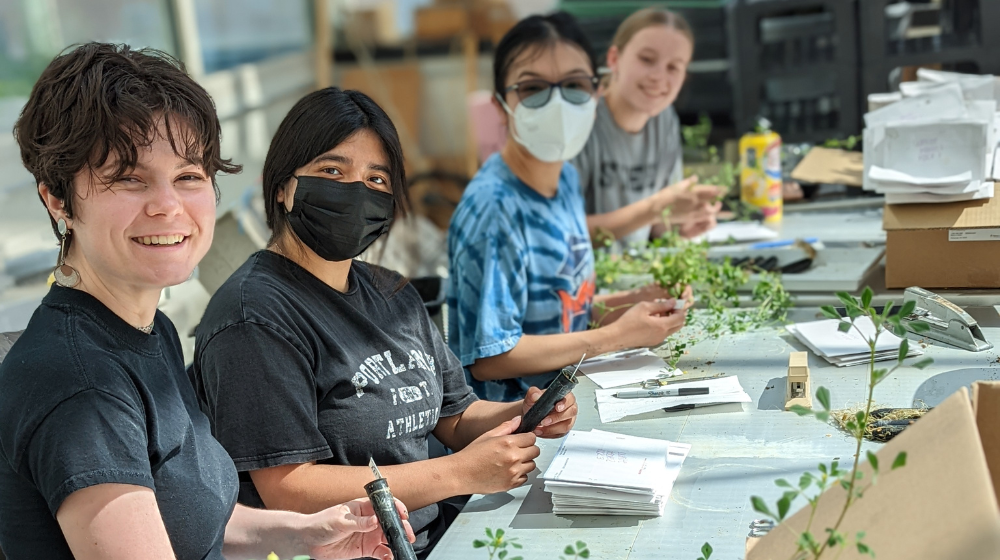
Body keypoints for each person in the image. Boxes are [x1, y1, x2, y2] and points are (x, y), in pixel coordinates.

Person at [0, 43, 412, 560]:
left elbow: (193, 513)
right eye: (129, 177)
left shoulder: (150, 330)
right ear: (57, 198)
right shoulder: (82, 387)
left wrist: (306, 532)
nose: (167, 206)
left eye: (188, 177)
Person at [189, 87, 578, 559]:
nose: (357, 191)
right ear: (282, 187)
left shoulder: (391, 291)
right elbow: (288, 489)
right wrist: (459, 473)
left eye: (377, 179)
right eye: (333, 171)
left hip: (444, 538)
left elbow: (454, 417)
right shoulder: (254, 317)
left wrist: (525, 413)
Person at [447, 12, 692, 403]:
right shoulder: (496, 209)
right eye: (533, 88)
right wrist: (618, 335)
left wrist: (631, 304)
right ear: (500, 106)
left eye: (575, 85)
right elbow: (491, 356)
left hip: (568, 403)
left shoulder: (565, 181)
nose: (558, 104)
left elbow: (559, 314)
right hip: (516, 430)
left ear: (596, 94)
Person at [573, 8, 724, 247]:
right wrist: (655, 208)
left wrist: (681, 224)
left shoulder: (664, 120)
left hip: (637, 273)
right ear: (614, 59)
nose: (658, 77)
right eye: (646, 59)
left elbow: (654, 225)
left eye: (673, 67)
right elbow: (563, 232)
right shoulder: (580, 120)